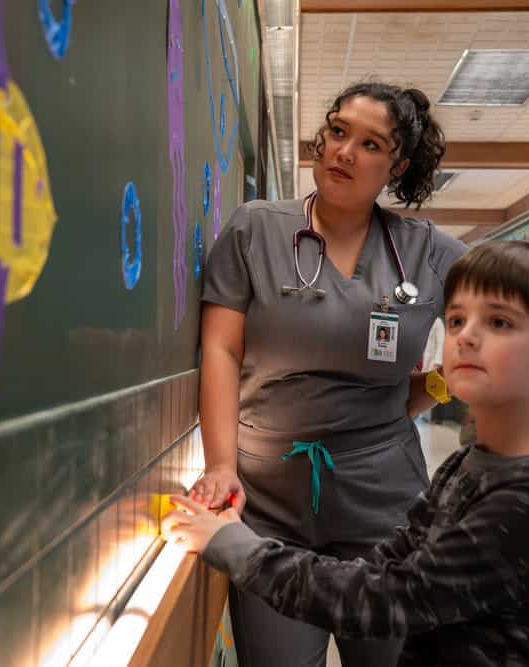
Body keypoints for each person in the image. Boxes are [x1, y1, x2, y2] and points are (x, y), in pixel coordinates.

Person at [168, 241, 529, 667]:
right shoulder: (471, 464)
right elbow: (385, 563)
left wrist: (238, 548)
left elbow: (388, 598)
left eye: (500, 322)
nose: (466, 337)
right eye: (457, 319)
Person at [190, 81, 466, 666]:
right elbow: (220, 352)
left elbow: (509, 321)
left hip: (386, 508)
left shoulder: (431, 254)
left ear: (397, 165)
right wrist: (220, 464)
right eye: (338, 131)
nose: (344, 151)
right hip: (268, 503)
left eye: (370, 144)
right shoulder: (254, 231)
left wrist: (445, 382)